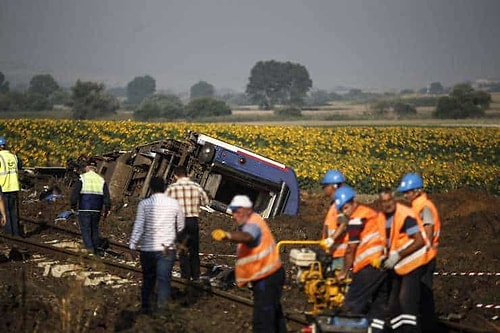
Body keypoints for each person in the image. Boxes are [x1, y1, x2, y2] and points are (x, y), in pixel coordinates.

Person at [211, 195, 287, 333]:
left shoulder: (253, 223)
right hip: (267, 275)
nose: (234, 216)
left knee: (263, 320)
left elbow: (248, 237)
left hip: (268, 276)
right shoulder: (249, 224)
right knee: (274, 315)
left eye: (237, 211)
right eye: (233, 212)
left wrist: (227, 235)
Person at [334, 186, 387, 333]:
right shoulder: (370, 213)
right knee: (378, 306)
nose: (345, 212)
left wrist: (344, 272)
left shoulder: (356, 218)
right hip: (383, 265)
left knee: (352, 304)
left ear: (352, 203)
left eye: (345, 208)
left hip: (368, 266)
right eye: (342, 210)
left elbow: (351, 248)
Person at [129, 177, 185, 314]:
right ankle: (162, 311)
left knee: (148, 278)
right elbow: (181, 225)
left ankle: (146, 307)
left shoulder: (144, 204)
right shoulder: (174, 204)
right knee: (164, 279)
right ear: (164, 188)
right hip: (167, 248)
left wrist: (133, 244)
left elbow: (139, 225)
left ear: (151, 188)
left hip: (148, 248)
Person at [379, 189, 429, 333]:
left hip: (413, 263)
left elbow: (420, 241)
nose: (387, 204)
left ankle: (410, 330)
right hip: (399, 264)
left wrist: (398, 255)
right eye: (383, 202)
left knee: (405, 301)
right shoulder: (386, 218)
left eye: (389, 201)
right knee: (393, 304)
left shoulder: (405, 216)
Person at [398, 173, 440, 332]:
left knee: (417, 297)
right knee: (420, 295)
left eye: (407, 192)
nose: (405, 195)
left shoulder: (425, 206)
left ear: (416, 191)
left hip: (425, 258)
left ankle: (425, 327)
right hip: (421, 257)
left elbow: (427, 231)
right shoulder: (417, 206)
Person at [165, 166, 209, 281]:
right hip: (192, 221)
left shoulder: (171, 188)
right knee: (194, 249)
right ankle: (196, 275)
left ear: (175, 176)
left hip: (179, 221)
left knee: (182, 249)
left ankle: (185, 276)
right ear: (187, 174)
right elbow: (206, 201)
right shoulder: (196, 187)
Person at [70, 160, 111, 255]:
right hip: (97, 209)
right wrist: (107, 208)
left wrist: (73, 205)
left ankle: (89, 249)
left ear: (87, 167)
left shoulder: (82, 178)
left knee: (85, 228)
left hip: (84, 207)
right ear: (96, 169)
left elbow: (75, 194)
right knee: (94, 229)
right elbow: (106, 196)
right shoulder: (101, 180)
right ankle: (95, 248)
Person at [319, 170, 349, 272]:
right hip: (334, 253)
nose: (324, 189)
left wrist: (331, 239)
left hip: (341, 255)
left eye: (325, 186)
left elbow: (343, 224)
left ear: (333, 186)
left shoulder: (341, 204)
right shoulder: (336, 203)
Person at [0, 136, 22, 236]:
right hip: (14, 187)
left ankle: (9, 235)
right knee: (12, 212)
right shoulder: (14, 157)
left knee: (5, 213)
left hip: (3, 187)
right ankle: (16, 234)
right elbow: (20, 166)